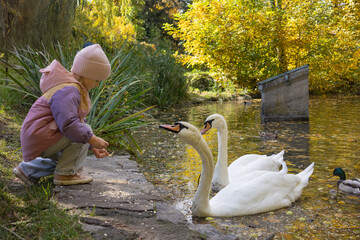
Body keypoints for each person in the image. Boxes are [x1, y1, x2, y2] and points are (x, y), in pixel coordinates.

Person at [13, 43, 111, 186]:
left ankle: (28, 170)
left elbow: (70, 122)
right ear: (85, 74)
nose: (97, 84)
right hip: (42, 135)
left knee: (67, 158)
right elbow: (69, 125)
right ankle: (66, 175)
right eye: (97, 80)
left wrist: (92, 146)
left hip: (40, 135)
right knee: (84, 131)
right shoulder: (69, 90)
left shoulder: (69, 86)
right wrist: (92, 139)